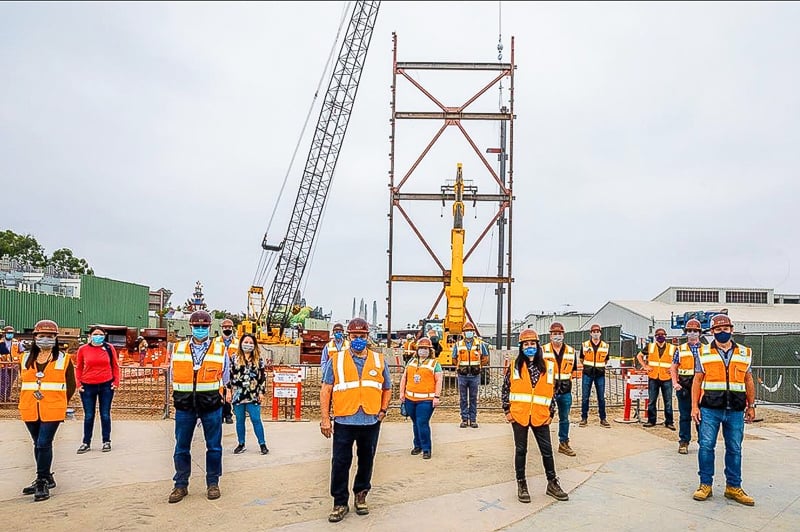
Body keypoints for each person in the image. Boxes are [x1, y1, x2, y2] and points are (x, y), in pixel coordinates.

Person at [319, 318, 391, 523]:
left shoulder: (378, 360)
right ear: (348, 337)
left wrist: (383, 410)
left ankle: (361, 494)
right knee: (341, 463)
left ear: (367, 337)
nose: (358, 339)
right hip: (344, 420)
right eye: (354, 336)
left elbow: (387, 387)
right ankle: (340, 502)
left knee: (366, 461)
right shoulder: (337, 360)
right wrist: (325, 418)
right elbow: (326, 389)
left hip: (370, 420)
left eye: (361, 336)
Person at [691, 314, 756, 506]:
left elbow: (748, 380)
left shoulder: (745, 353)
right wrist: (694, 406)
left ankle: (733, 487)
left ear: (731, 330)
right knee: (706, 447)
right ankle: (705, 485)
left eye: (725, 329)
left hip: (736, 409)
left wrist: (751, 406)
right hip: (710, 408)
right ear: (712, 332)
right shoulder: (703, 353)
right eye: (718, 330)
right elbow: (697, 380)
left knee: (735, 449)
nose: (722, 332)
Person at [168, 310, 231, 503]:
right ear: (191, 327)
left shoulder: (220, 350)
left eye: (204, 326)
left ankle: (213, 483)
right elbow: (173, 376)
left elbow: (225, 377)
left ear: (210, 328)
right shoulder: (178, 349)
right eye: (197, 326)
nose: (201, 329)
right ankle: (180, 485)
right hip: (185, 405)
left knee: (214, 447)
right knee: (181, 447)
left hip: (211, 405)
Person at [503, 329, 569, 503]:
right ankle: (522, 484)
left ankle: (552, 483)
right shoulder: (514, 366)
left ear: (537, 345)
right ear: (521, 347)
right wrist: (507, 411)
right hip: (519, 415)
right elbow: (506, 389)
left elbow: (553, 392)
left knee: (547, 451)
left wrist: (551, 413)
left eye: (532, 344)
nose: (529, 347)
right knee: (521, 450)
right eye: (526, 344)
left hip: (540, 415)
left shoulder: (548, 366)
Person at [18, 319, 76, 501]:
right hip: (29, 406)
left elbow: (71, 385)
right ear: (35, 337)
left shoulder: (63, 359)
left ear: (55, 338)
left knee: (44, 442)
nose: (45, 339)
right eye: (42, 336)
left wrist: (59, 401)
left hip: (53, 408)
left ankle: (42, 480)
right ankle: (47, 476)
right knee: (37, 443)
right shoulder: (25, 357)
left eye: (50, 336)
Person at [75, 326, 120, 454]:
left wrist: (116, 382)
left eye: (101, 334)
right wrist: (78, 384)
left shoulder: (109, 348)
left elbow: (115, 366)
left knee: (105, 414)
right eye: (95, 334)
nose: (98, 336)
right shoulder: (83, 349)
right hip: (88, 386)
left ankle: (106, 441)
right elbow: (78, 367)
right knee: (89, 416)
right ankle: (86, 442)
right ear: (90, 336)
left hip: (106, 385)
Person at [398, 337, 443, 459]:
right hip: (410, 399)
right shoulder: (411, 362)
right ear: (417, 350)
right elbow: (404, 378)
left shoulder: (435, 364)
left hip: (426, 400)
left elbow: (439, 381)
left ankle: (426, 448)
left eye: (425, 349)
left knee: (422, 422)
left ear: (430, 350)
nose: (423, 351)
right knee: (415, 423)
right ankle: (417, 445)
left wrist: (436, 397)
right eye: (421, 348)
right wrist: (402, 393)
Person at [542, 322, 577, 456]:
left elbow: (572, 371)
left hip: (565, 390)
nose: (557, 336)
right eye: (555, 333)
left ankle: (563, 443)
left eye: (559, 334)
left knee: (564, 418)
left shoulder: (571, 351)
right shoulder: (543, 350)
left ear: (563, 335)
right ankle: (544, 444)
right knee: (544, 418)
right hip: (548, 390)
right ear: (550, 336)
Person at [230, 333, 269, 455]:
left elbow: (262, 377)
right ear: (241, 343)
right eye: (246, 342)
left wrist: (261, 392)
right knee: (239, 420)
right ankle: (241, 444)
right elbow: (229, 375)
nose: (248, 345)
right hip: (238, 394)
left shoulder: (258, 360)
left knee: (256, 419)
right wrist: (228, 391)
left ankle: (262, 444)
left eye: (251, 343)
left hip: (253, 394)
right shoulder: (234, 358)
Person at [670, 318, 702, 454]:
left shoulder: (706, 349)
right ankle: (684, 441)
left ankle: (704, 442)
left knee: (702, 416)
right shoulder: (680, 349)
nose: (692, 333)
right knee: (684, 416)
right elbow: (673, 367)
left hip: (701, 387)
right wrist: (675, 383)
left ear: (699, 333)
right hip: (685, 385)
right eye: (690, 331)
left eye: (695, 331)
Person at [637, 327, 677, 429]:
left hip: (666, 378)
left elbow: (679, 361)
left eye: (662, 335)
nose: (660, 336)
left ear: (665, 336)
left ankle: (669, 422)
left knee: (668, 401)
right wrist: (645, 366)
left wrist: (673, 369)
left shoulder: (672, 348)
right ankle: (651, 420)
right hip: (653, 377)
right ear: (655, 337)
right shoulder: (650, 347)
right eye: (658, 335)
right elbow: (639, 356)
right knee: (652, 401)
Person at [452, 322, 489, 428]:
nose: (469, 333)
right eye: (467, 331)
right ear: (463, 333)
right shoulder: (458, 344)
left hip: (474, 375)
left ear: (473, 332)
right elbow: (454, 358)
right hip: (462, 375)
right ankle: (464, 419)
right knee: (463, 398)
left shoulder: (480, 344)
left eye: (470, 331)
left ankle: (473, 419)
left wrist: (479, 366)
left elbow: (485, 357)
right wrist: (460, 366)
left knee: (473, 398)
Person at [579, 324, 610, 428]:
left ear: (600, 333)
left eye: (597, 331)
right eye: (594, 331)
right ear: (590, 333)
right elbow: (581, 359)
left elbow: (606, 359)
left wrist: (599, 367)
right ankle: (584, 418)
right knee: (585, 397)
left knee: (601, 398)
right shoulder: (585, 345)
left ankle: (603, 419)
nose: (596, 333)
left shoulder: (605, 346)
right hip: (587, 374)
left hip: (600, 374)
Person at [215, 318, 238, 424]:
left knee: (229, 393)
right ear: (221, 328)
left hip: (232, 371)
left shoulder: (237, 342)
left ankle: (228, 414)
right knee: (219, 392)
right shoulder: (216, 342)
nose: (227, 329)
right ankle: (220, 414)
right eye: (225, 327)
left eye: (229, 327)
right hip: (220, 370)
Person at [1, 325, 23, 402]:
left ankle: (7, 397)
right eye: (8, 333)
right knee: (4, 381)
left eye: (11, 333)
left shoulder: (16, 342)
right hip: (3, 366)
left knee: (11, 383)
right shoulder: (1, 342)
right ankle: (1, 397)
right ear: (5, 333)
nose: (10, 334)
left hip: (14, 366)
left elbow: (21, 352)